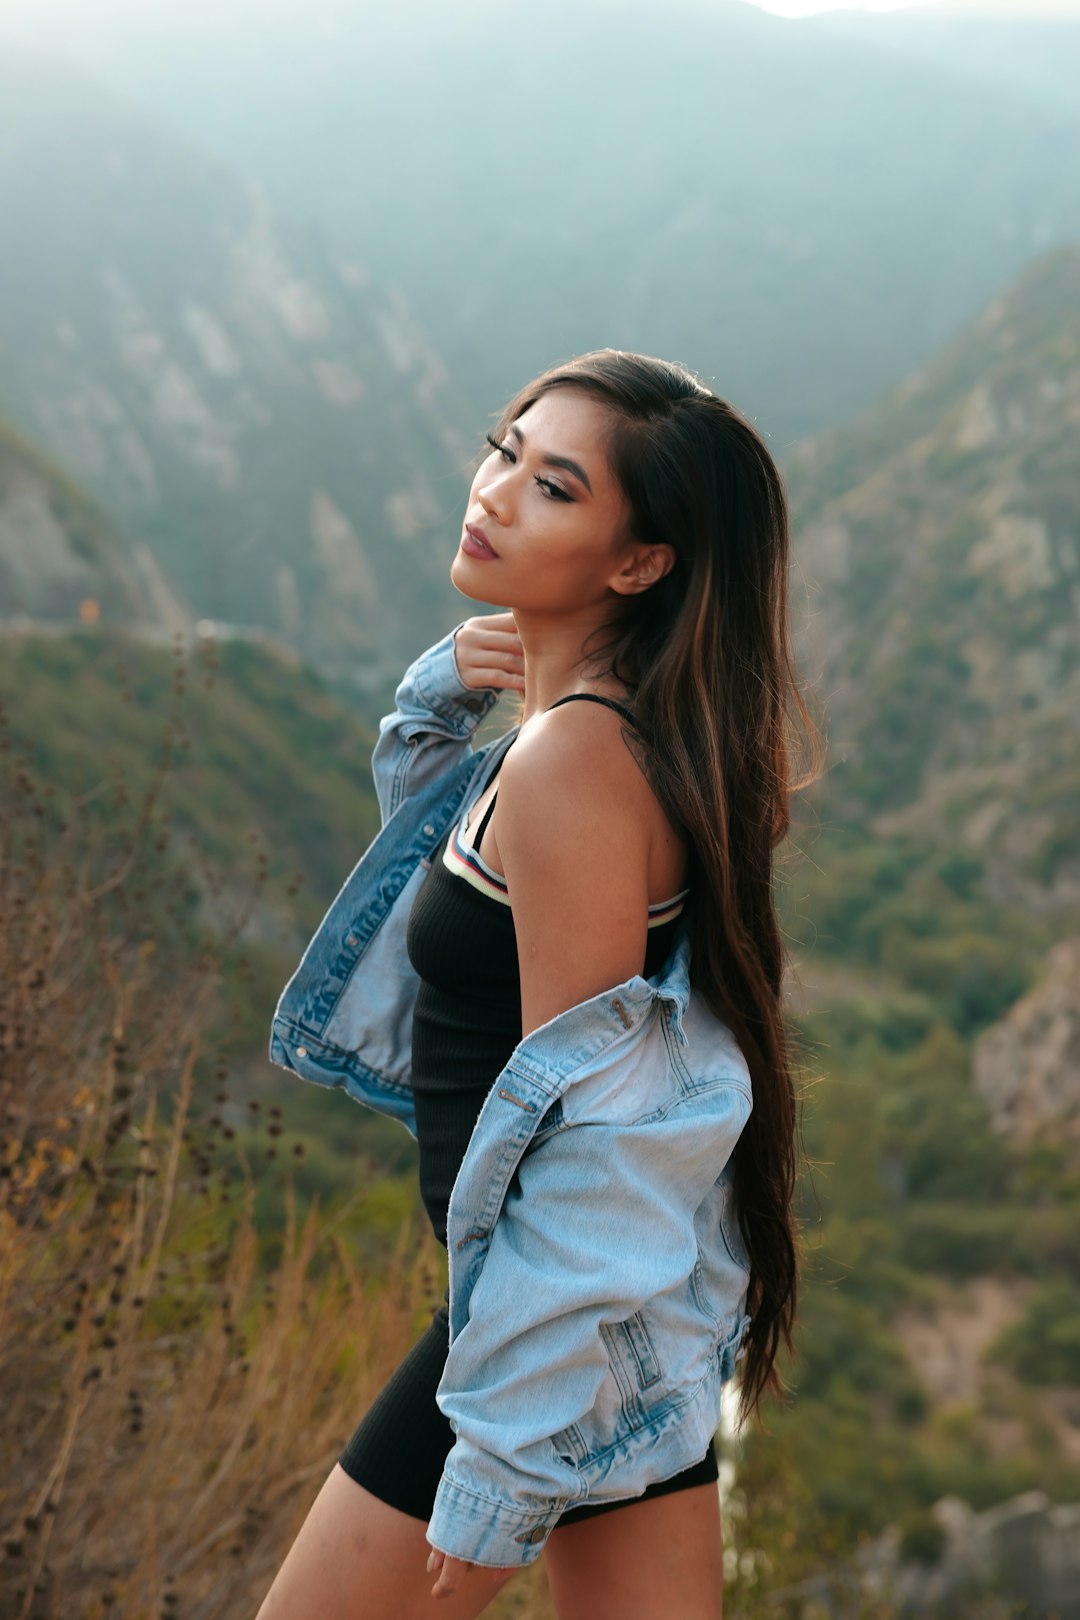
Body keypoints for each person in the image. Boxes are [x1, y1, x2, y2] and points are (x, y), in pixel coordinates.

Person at [257, 349, 822, 1619]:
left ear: (639, 562)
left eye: (555, 486)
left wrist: (507, 1460)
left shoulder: (574, 759)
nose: (496, 491)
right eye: (505, 448)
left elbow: (597, 1141)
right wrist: (439, 690)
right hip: (617, 1321)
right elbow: (441, 869)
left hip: (550, 1335)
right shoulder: (607, 730)